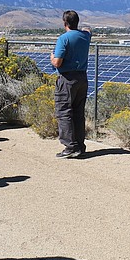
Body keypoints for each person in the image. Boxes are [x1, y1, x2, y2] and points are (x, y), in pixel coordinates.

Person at [50, 10, 91, 159]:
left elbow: (57, 62)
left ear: (64, 23)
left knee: (64, 112)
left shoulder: (63, 39)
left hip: (67, 79)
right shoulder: (85, 36)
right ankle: (80, 145)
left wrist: (52, 58)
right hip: (82, 78)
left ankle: (70, 146)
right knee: (78, 112)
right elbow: (88, 30)